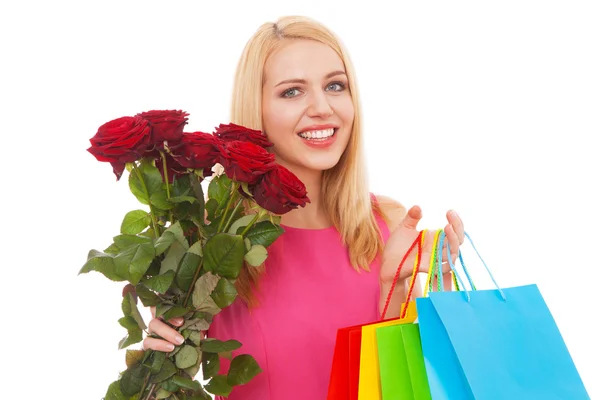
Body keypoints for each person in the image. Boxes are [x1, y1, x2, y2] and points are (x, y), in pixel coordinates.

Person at [143, 15, 465, 399]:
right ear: (256, 109)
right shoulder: (211, 241)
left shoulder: (392, 224)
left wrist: (416, 294)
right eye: (292, 92)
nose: (322, 108)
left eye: (335, 86)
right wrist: (162, 347)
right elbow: (171, 378)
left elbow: (419, 385)